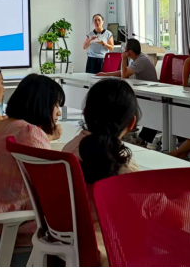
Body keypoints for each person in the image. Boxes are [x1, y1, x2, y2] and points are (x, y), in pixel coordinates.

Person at [0, 74, 64, 246]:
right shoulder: (29, 132)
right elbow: (51, 187)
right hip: (13, 225)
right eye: (56, 105)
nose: (59, 112)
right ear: (42, 103)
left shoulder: (2, 125)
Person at [63, 79, 141, 266]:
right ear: (132, 122)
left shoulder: (68, 151)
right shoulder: (124, 168)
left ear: (84, 113)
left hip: (69, 239)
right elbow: (173, 217)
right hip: (111, 248)